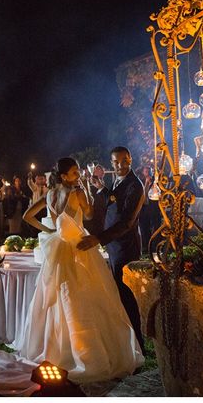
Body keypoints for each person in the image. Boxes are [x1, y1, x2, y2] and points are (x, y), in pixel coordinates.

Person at [0, 157, 144, 396]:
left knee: (56, 295)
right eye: (75, 172)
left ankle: (56, 347)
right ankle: (83, 351)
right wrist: (87, 190)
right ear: (65, 175)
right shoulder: (77, 193)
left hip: (57, 248)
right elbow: (89, 215)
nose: (78, 174)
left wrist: (51, 231)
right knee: (83, 297)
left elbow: (28, 216)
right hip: (77, 248)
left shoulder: (50, 193)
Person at [77, 146, 146, 356]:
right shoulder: (118, 181)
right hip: (114, 245)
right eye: (115, 162)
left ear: (130, 159)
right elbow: (113, 202)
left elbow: (126, 222)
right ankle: (126, 343)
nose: (119, 166)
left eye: (123, 161)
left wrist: (99, 238)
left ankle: (139, 347)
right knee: (118, 294)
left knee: (126, 296)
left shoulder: (135, 185)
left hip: (126, 246)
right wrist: (101, 188)